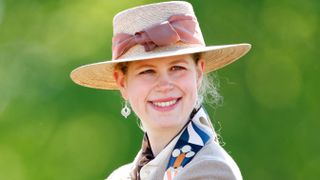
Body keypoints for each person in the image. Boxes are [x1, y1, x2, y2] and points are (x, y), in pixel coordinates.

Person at [70, 1, 251, 180]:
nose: (164, 85)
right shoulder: (121, 176)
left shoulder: (211, 170)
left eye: (177, 68)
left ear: (198, 73)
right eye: (147, 71)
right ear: (123, 83)